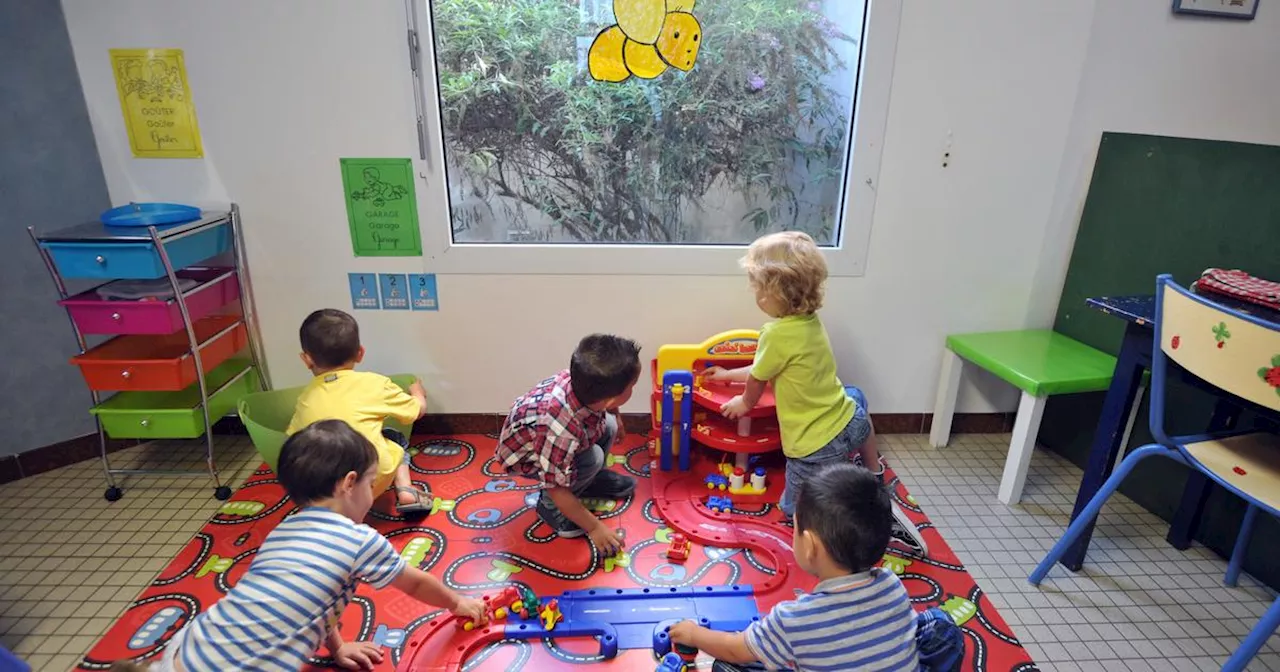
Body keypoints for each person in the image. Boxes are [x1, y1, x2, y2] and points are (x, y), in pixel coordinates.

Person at [141, 420, 488, 671]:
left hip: (190, 647)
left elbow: (310, 600)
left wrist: (337, 648)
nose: (373, 492)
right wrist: (456, 601)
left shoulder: (286, 527)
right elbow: (413, 581)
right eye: (371, 483)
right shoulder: (358, 540)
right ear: (349, 484)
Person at [706, 231, 928, 555]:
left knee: (796, 510)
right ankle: (873, 472)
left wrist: (744, 401)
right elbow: (767, 365)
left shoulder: (775, 332)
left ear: (778, 292)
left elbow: (758, 376)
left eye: (758, 287)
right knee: (857, 400)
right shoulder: (809, 320)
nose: (755, 293)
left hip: (814, 445)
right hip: (850, 419)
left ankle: (874, 527)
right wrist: (727, 374)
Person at [668, 464, 946, 671]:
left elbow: (736, 649)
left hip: (775, 639)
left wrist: (694, 633)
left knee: (729, 665)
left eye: (795, 527)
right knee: (941, 628)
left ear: (811, 545)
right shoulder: (892, 584)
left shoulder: (793, 619)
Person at [495, 334, 641, 555]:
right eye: (632, 386)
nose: (634, 389)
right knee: (593, 459)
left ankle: (587, 482)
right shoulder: (558, 428)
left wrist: (616, 415)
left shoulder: (585, 384)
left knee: (608, 425)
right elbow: (555, 484)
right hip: (530, 456)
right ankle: (549, 507)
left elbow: (607, 404)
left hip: (559, 440)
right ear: (611, 398)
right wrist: (595, 527)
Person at [287, 309, 431, 514]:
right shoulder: (375, 384)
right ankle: (405, 489)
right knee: (394, 437)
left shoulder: (306, 397)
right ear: (360, 353)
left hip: (325, 489)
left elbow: (294, 437)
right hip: (372, 478)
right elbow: (416, 411)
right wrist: (417, 392)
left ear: (306, 359)